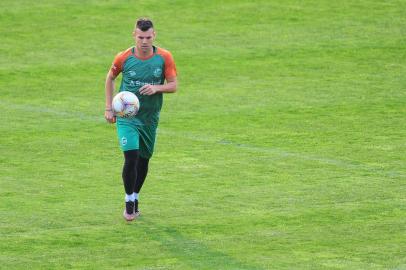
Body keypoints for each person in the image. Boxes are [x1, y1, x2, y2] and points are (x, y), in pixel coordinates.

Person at [104, 18, 177, 221]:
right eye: (140, 37)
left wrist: (157, 88)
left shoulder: (164, 57)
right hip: (127, 116)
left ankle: (135, 196)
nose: (144, 41)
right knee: (132, 157)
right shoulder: (124, 57)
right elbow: (110, 78)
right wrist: (109, 108)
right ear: (134, 35)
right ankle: (128, 200)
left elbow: (173, 85)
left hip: (149, 117)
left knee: (144, 159)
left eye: (148, 37)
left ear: (154, 35)